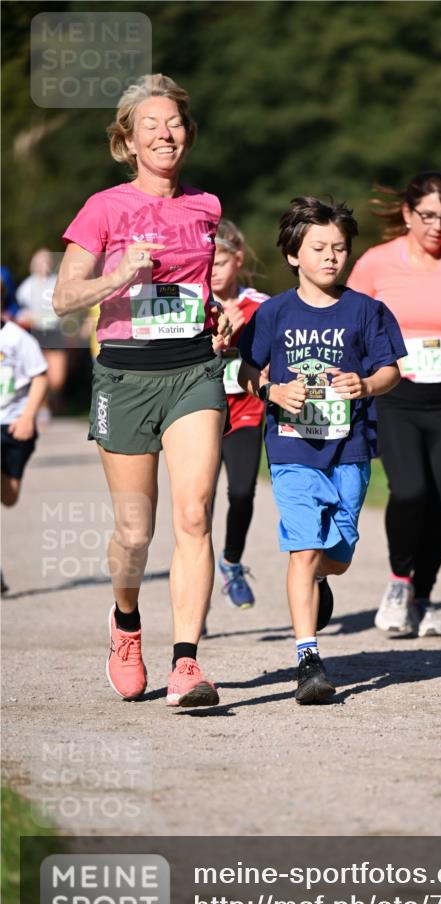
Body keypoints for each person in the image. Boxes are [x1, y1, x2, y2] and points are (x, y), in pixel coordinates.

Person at [53, 73, 233, 707]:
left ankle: (187, 664)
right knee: (135, 532)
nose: (166, 134)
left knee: (195, 512)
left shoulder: (206, 207)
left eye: (175, 123)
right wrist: (120, 273)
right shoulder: (104, 207)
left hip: (192, 373)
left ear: (188, 135)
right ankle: (126, 622)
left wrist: (224, 316)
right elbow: (62, 297)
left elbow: (200, 295)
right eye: (150, 126)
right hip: (126, 375)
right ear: (127, 141)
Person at [238, 196, 405, 704]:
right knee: (303, 549)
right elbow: (246, 370)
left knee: (338, 555)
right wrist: (270, 390)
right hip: (291, 450)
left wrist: (367, 384)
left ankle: (317, 582)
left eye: (340, 248)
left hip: (350, 448)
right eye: (319, 248)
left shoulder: (367, 311)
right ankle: (308, 659)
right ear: (294, 254)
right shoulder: (273, 313)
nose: (331, 256)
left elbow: (391, 370)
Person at [347, 171, 441, 635]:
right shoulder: (378, 262)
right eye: (429, 216)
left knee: (439, 501)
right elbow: (347, 316)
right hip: (397, 393)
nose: (438, 226)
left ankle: (425, 595)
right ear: (409, 214)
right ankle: (398, 582)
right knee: (409, 490)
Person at [210, 220, 268, 610]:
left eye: (220, 260)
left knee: (243, 492)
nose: (212, 269)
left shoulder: (261, 306)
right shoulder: (185, 304)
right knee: (197, 506)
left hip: (245, 413)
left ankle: (230, 563)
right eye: (207, 261)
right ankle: (196, 597)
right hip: (199, 413)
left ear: (238, 259)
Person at [1, 309, 48, 594]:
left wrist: (29, 416)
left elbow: (40, 376)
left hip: (13, 425)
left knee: (9, 497)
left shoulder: (17, 338)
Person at [16, 248, 69, 416]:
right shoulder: (27, 285)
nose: (44, 264)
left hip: (55, 333)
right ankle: (43, 407)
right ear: (34, 264)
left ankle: (51, 400)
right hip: (36, 333)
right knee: (39, 372)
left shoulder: (57, 282)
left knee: (57, 378)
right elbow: (20, 310)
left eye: (47, 260)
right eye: (40, 261)